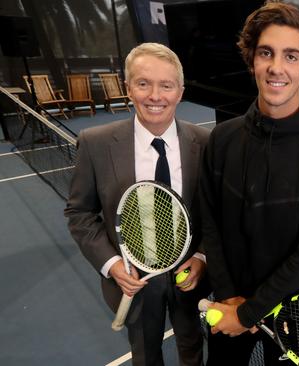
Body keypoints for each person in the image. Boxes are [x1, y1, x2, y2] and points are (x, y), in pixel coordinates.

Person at [199, 1, 299, 365]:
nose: (276, 67)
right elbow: (210, 221)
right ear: (252, 60)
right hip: (228, 304)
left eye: (291, 56)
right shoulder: (222, 139)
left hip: (290, 314)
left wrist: (250, 312)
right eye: (266, 53)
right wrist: (232, 298)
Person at [65, 42, 209, 366]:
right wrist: (112, 264)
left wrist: (200, 257)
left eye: (166, 85)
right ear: (128, 88)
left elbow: (216, 214)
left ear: (180, 92)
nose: (155, 96)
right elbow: (79, 213)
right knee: (145, 355)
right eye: (144, 84)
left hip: (189, 279)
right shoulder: (95, 143)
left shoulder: (206, 143)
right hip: (134, 283)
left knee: (192, 348)